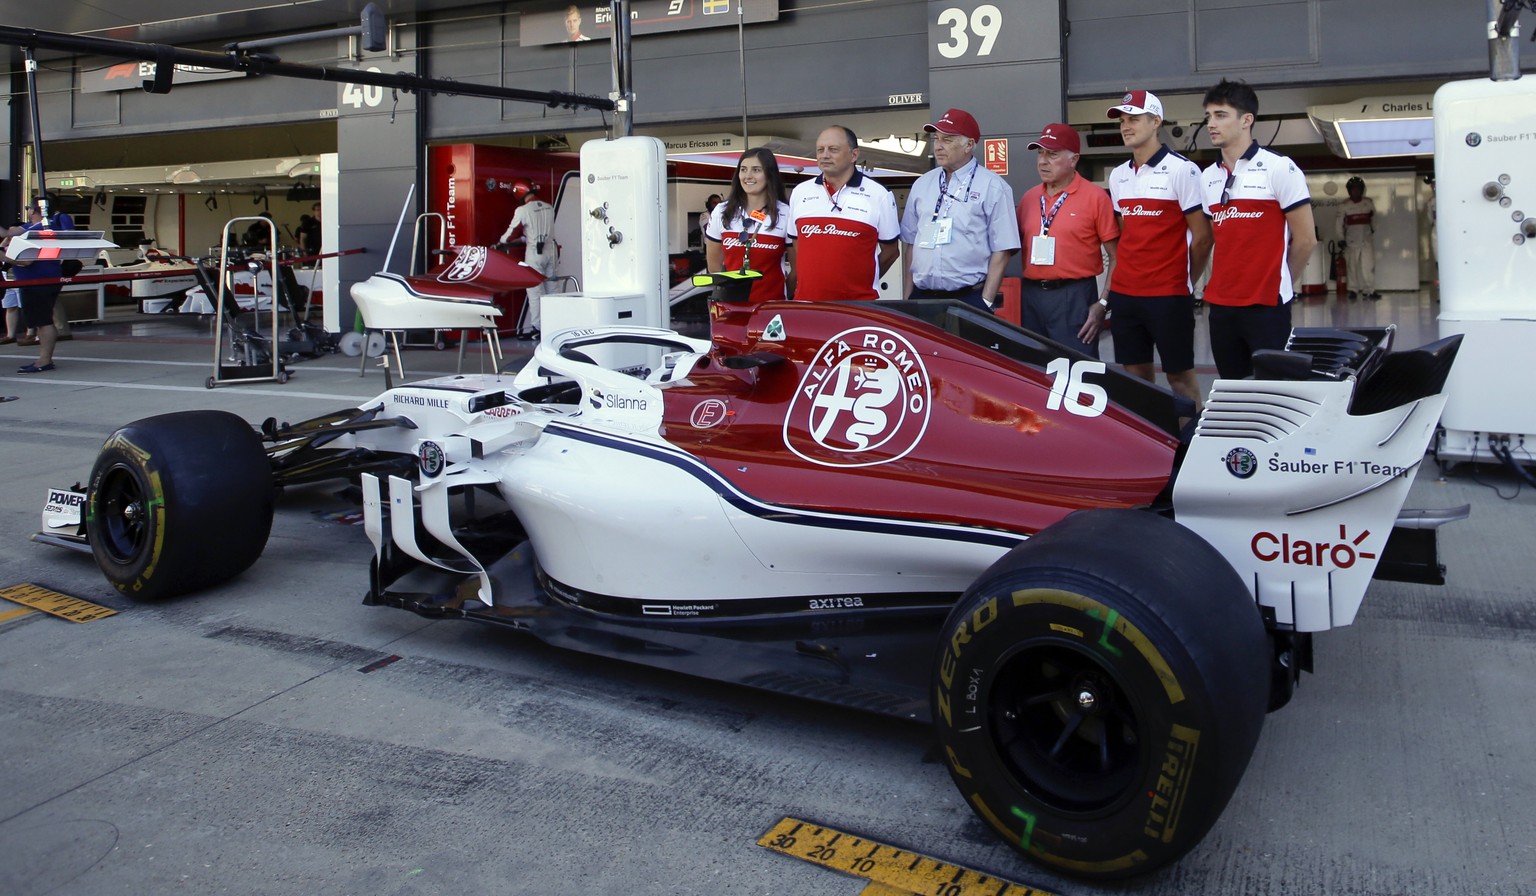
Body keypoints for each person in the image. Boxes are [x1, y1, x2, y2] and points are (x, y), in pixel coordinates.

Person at [1199, 78, 1317, 380]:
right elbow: (1214, 238)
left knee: (1275, 389)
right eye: (1208, 116)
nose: (1211, 124)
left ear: (1246, 120)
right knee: (1233, 388)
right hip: (1222, 306)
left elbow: (1305, 240)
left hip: (1267, 306)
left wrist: (1281, 283)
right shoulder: (1207, 177)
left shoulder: (1280, 168)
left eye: (1220, 115)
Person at [1103, 90, 1213, 410]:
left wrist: (1184, 279)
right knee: (1136, 377)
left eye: (1134, 119)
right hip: (1126, 295)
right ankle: (1151, 451)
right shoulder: (1119, 175)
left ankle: (1190, 447)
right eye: (1122, 121)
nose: (1126, 126)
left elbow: (1203, 238)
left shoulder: (1184, 170)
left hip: (1168, 295)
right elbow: (1129, 237)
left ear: (1155, 121)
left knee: (1180, 378)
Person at [900, 108, 1020, 312]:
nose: (938, 146)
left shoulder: (992, 186)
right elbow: (911, 244)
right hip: (921, 297)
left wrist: (986, 303)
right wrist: (907, 299)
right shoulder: (922, 184)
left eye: (947, 140)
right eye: (936, 139)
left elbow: (1003, 249)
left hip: (968, 298)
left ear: (969, 145)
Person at [1015, 123, 1119, 357]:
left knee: (1077, 372)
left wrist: (1103, 303)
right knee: (1034, 371)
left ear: (1074, 159)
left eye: (1052, 154)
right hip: (1032, 296)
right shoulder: (1030, 198)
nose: (1043, 161)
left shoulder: (1095, 197)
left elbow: (1117, 255)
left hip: (1075, 295)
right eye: (1040, 153)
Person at [787, 125, 900, 301]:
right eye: (820, 150)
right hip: (808, 303)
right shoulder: (800, 192)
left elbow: (891, 252)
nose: (825, 155)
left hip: (859, 307)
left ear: (854, 155)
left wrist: (863, 280)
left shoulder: (879, 195)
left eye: (833, 149)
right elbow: (797, 243)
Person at [704, 148, 795, 302]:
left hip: (771, 309)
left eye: (756, 170)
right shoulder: (721, 211)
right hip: (730, 308)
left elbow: (796, 270)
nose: (748, 176)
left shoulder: (786, 213)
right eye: (743, 170)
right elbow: (714, 266)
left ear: (769, 174)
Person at [496, 180, 556, 338]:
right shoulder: (549, 207)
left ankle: (538, 329)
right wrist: (524, 239)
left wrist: (501, 242)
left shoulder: (522, 210)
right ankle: (555, 326)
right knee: (552, 292)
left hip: (535, 253)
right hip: (551, 252)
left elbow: (509, 236)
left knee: (535, 291)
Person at [9, 203, 65, 373]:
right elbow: (8, 233)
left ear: (34, 210)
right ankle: (44, 358)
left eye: (28, 209)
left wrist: (6, 257)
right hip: (41, 280)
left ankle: (45, 360)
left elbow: (27, 260)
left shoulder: (38, 230)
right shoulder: (39, 227)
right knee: (42, 321)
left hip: (38, 281)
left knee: (43, 321)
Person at [1336, 175, 1377, 300]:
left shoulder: (1368, 203)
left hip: (1366, 240)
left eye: (1358, 188)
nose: (1356, 191)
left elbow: (1374, 219)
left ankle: (1370, 290)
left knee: (1368, 266)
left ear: (1362, 189)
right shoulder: (1344, 206)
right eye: (1353, 189)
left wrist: (1372, 231)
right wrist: (1341, 239)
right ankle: (1352, 290)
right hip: (1351, 241)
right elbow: (1338, 224)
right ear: (1349, 190)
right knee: (1352, 267)